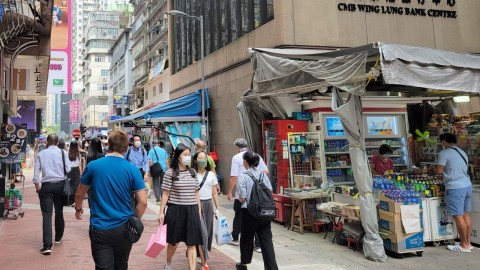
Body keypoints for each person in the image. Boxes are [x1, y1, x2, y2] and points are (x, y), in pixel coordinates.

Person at [74, 130, 147, 269]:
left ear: (108, 146)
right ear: (126, 149)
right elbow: (143, 202)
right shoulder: (132, 169)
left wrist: (78, 209)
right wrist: (135, 219)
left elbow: (79, 193)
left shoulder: (94, 166)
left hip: (100, 227)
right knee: (121, 265)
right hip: (125, 227)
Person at [158, 143, 203, 270]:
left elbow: (196, 193)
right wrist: (161, 212)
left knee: (192, 243)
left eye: (189, 155)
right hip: (175, 210)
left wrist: (199, 210)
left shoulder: (193, 172)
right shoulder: (170, 173)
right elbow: (165, 193)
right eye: (185, 155)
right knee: (174, 242)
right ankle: (168, 262)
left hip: (192, 210)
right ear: (178, 156)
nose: (188, 157)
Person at [236, 151, 278, 270]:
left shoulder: (243, 176)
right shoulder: (263, 175)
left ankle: (244, 263)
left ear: (245, 162)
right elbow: (269, 190)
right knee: (266, 240)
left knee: (246, 238)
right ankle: (272, 267)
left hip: (249, 212)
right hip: (264, 212)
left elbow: (242, 197)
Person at [433, 133, 473, 253]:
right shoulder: (462, 152)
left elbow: (439, 171)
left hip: (455, 188)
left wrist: (432, 169)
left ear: (444, 142)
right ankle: (468, 242)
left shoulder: (443, 153)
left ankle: (464, 245)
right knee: (466, 215)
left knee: (458, 216)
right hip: (467, 185)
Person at [227, 138, 268, 252]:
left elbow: (234, 177)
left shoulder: (236, 158)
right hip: (257, 194)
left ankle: (235, 238)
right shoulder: (257, 156)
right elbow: (266, 172)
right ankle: (258, 245)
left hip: (242, 194)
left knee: (239, 216)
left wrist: (229, 191)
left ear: (237, 148)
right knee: (255, 217)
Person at [33, 134, 71, 255]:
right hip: (60, 185)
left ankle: (47, 245)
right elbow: (68, 169)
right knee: (59, 211)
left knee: (47, 215)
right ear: (57, 142)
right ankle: (58, 237)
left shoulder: (41, 154)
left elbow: (36, 174)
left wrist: (37, 187)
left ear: (47, 142)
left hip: (46, 186)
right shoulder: (63, 152)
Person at [192, 151, 219, 269]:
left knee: (207, 231)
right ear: (195, 161)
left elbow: (214, 192)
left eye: (204, 158)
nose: (203, 160)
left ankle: (198, 253)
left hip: (208, 204)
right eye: (200, 158)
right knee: (202, 232)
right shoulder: (192, 174)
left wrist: (217, 207)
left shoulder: (211, 175)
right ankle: (204, 260)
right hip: (196, 204)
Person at [148, 140, 169, 204]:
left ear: (153, 144)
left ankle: (158, 199)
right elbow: (167, 161)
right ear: (159, 144)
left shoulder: (151, 150)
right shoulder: (164, 151)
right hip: (163, 169)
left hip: (155, 168)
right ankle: (163, 197)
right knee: (163, 183)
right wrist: (167, 170)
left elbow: (150, 161)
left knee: (156, 183)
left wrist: (150, 169)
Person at [68, 141, 83, 207]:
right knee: (76, 185)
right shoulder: (78, 154)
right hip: (76, 170)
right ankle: (74, 201)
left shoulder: (68, 154)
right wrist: (81, 173)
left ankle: (70, 201)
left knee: (70, 185)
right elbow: (79, 164)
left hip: (69, 170)